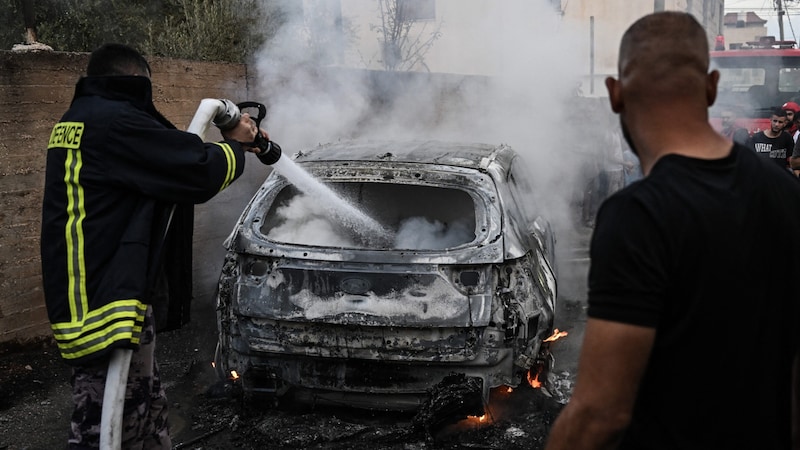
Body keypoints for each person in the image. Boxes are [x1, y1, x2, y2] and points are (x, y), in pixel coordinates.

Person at [545, 12, 800, 450]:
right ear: (712, 87)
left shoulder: (636, 216)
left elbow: (599, 415)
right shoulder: (788, 194)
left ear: (615, 93)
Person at [40, 43, 264, 449]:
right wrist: (236, 146)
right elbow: (194, 171)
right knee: (103, 426)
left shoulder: (83, 119)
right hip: (105, 300)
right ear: (137, 79)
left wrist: (231, 143)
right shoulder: (114, 123)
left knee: (142, 411)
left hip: (100, 291)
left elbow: (169, 153)